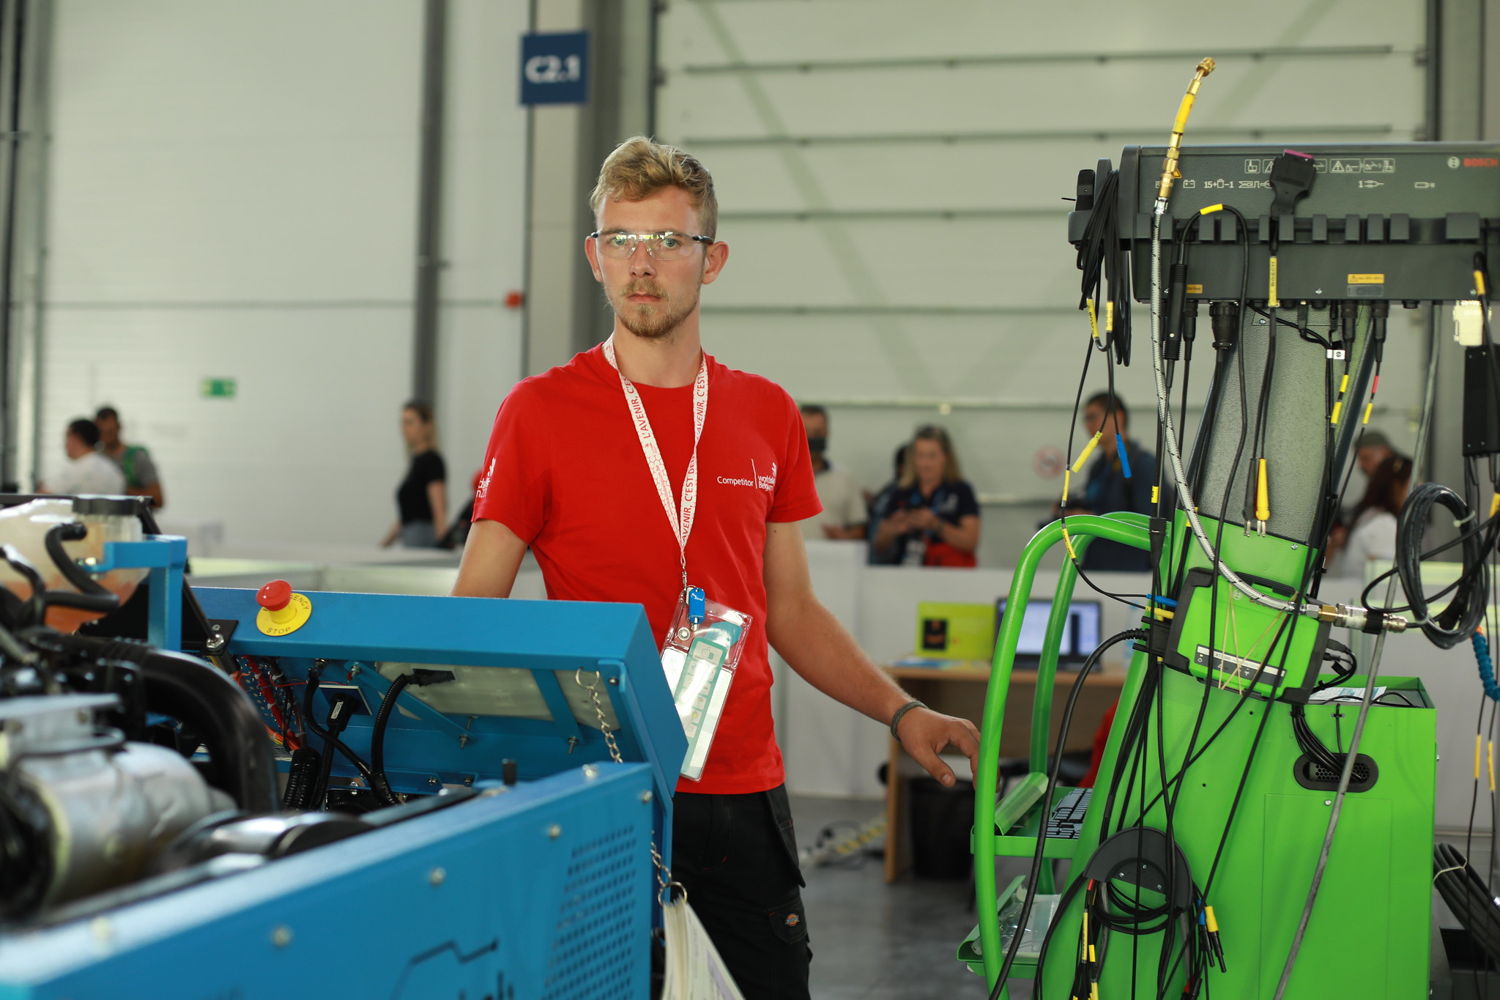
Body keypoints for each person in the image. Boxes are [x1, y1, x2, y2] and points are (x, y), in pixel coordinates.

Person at [451, 136, 979, 998]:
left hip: (739, 787)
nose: (642, 263)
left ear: (713, 258)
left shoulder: (766, 413)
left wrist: (902, 709)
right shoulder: (538, 411)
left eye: (669, 240)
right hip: (601, 784)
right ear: (594, 255)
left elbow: (792, 611)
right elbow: (478, 610)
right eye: (621, 239)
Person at [1055, 392, 1159, 572]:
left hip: (1129, 572)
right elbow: (1094, 504)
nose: (1088, 425)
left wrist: (1090, 518)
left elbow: (1148, 523)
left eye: (1093, 417)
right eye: (1085, 419)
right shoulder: (1099, 466)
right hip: (1095, 566)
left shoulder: (1142, 465)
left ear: (1118, 417)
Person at [869, 425, 981, 567]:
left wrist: (936, 524)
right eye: (920, 455)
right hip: (906, 570)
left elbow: (971, 542)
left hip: (950, 572)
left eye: (932, 456)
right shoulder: (901, 492)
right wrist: (893, 529)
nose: (925, 463)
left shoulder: (960, 491)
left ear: (945, 457)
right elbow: (879, 546)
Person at [1324, 453, 1412, 580]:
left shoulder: (1368, 516)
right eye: (1413, 483)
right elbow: (1386, 582)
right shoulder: (1384, 526)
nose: (1421, 488)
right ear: (1396, 486)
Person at [380, 401, 448, 549]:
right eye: (403, 423)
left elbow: (439, 509)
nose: (404, 429)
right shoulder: (415, 461)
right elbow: (408, 514)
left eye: (409, 423)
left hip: (423, 538)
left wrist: (442, 542)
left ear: (426, 426)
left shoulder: (431, 460)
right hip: (411, 537)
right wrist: (384, 544)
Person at [797, 403, 866, 541]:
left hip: (832, 553)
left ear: (827, 433)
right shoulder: (778, 476)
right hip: (785, 553)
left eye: (817, 433)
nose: (811, 439)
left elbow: (859, 529)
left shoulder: (844, 477)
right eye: (806, 432)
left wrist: (844, 537)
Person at [94, 406, 164, 509]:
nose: (106, 436)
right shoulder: (94, 459)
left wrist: (120, 489)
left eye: (110, 431)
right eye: (102, 432)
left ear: (119, 426)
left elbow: (157, 500)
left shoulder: (137, 457)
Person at [43, 419, 126, 496]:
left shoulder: (77, 469)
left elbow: (44, 495)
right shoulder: (112, 469)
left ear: (75, 437)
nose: (65, 445)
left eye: (67, 437)